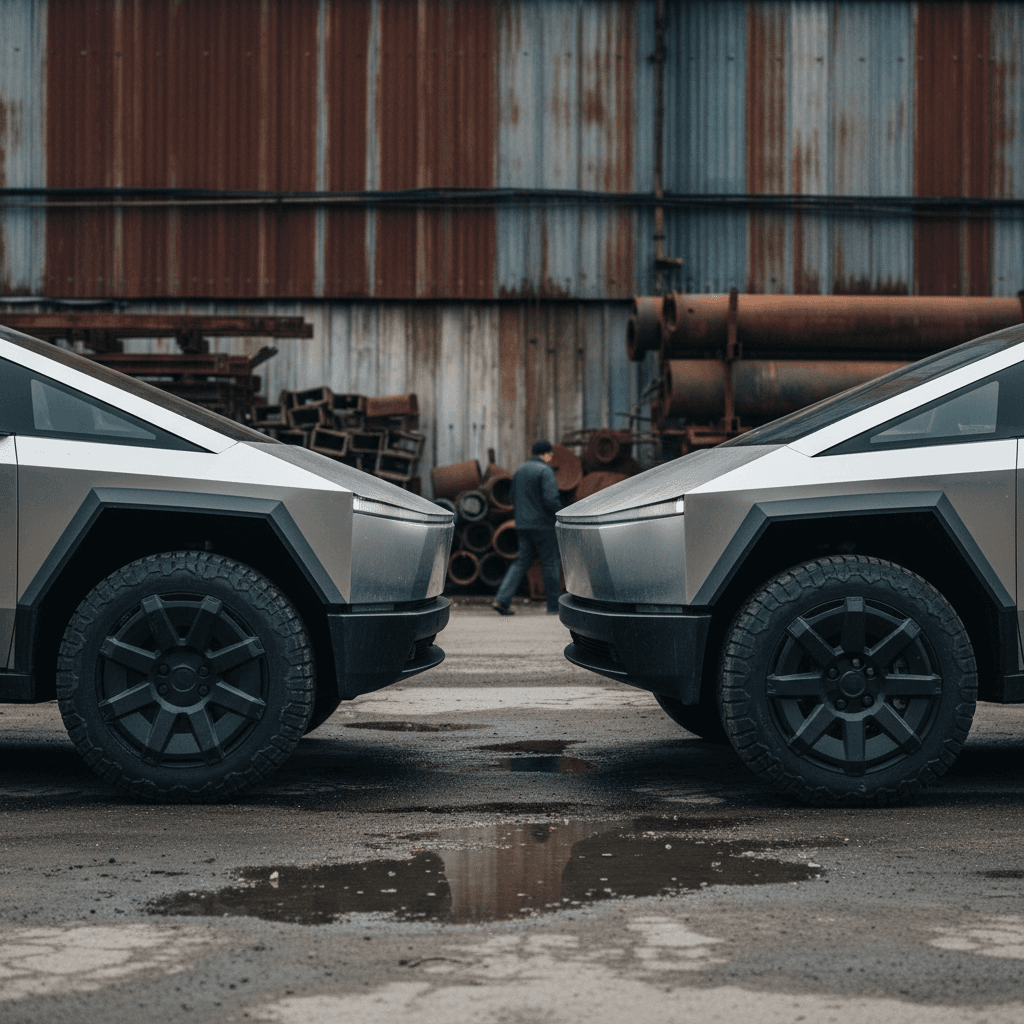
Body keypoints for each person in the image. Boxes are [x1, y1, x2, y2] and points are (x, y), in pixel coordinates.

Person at [492, 440, 563, 615]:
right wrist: (563, 513)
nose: (551, 457)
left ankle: (502, 600)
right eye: (550, 454)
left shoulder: (520, 470)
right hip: (543, 526)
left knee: (521, 562)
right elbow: (551, 499)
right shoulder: (545, 471)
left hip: (522, 525)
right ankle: (554, 606)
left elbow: (512, 497)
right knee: (550, 562)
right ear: (546, 454)